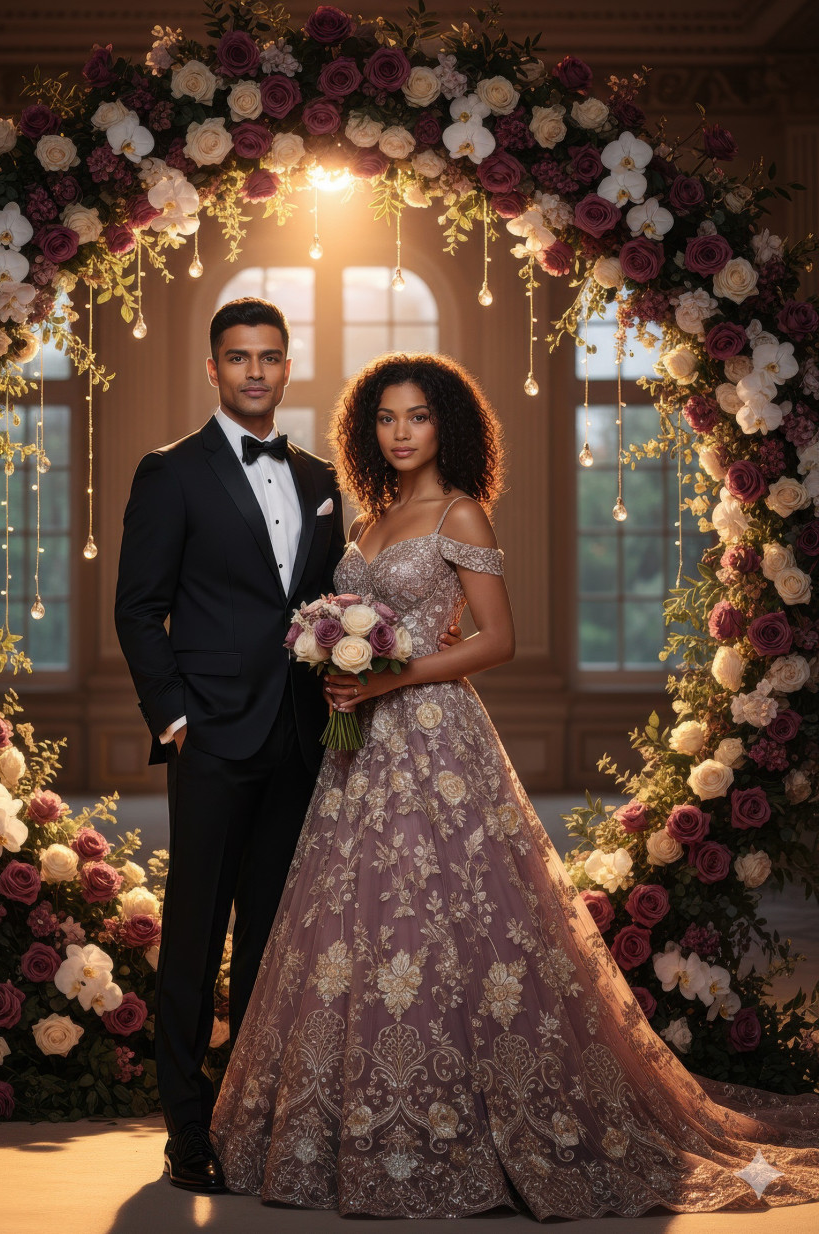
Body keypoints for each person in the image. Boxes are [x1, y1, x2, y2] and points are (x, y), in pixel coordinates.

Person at [210, 352, 819, 1219]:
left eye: (417, 416)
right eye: (384, 417)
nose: (400, 432)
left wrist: (384, 677)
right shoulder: (371, 518)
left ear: (445, 424)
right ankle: (361, 1123)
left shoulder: (462, 512)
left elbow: (497, 642)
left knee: (455, 922)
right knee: (359, 920)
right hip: (358, 753)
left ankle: (466, 1121)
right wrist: (337, 666)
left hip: (432, 740)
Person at [115, 301, 464, 1193]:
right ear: (214, 369)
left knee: (276, 939)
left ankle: (250, 1115)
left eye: (270, 358)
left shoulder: (317, 475)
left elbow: (324, 603)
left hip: (309, 740)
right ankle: (187, 1132)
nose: (257, 373)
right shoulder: (170, 473)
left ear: (286, 366)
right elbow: (138, 608)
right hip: (214, 737)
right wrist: (178, 719)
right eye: (239, 359)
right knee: (194, 937)